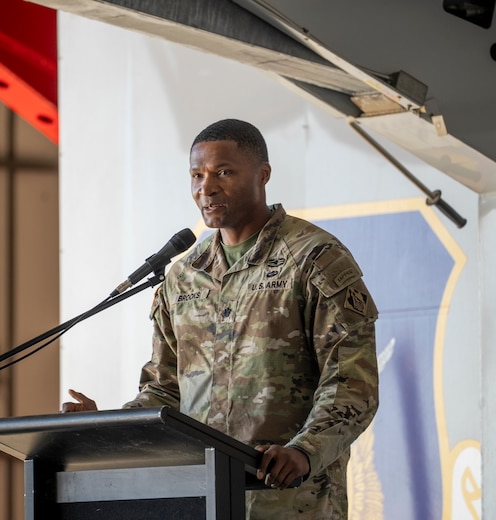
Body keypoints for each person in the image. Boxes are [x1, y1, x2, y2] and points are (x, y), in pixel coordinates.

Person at [62, 118, 379, 519]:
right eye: (196, 175)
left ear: (263, 175)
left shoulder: (314, 258)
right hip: (200, 500)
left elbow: (352, 383)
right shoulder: (183, 275)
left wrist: (304, 450)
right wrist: (107, 429)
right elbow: (164, 392)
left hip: (289, 503)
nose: (205, 188)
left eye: (223, 173)